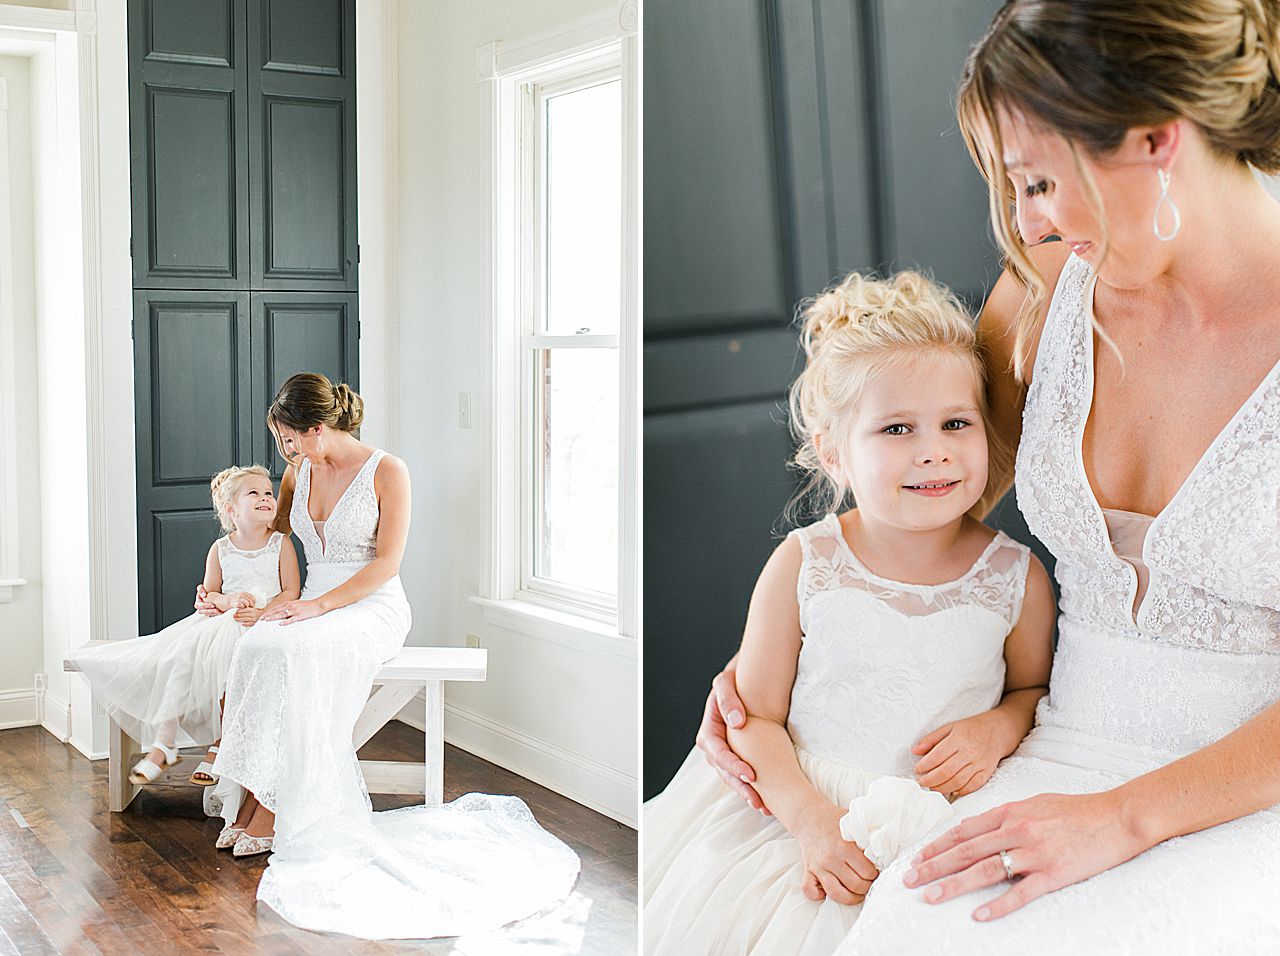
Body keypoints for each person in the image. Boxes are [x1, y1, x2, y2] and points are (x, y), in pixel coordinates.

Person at [696, 1, 1280, 951]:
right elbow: (942, 485)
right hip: (1046, 747)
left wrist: (1125, 817)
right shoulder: (1052, 277)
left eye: (1042, 181)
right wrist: (783, 659)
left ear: (1157, 142)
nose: (1027, 221)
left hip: (1247, 793)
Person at [643, 271, 1056, 954]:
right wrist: (811, 822)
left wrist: (998, 727)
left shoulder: (1015, 577)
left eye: (957, 423)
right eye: (897, 428)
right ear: (835, 451)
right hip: (800, 814)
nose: (934, 449)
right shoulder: (805, 565)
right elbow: (752, 720)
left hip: (941, 825)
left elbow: (1030, 690)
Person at [208, 373, 580, 939]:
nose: (284, 451)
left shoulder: (388, 471)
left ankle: (281, 809)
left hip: (371, 605)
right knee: (258, 645)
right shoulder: (296, 472)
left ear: (317, 428)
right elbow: (272, 537)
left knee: (298, 653)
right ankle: (256, 793)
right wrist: (229, 582)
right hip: (313, 601)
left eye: (289, 438)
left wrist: (320, 606)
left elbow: (386, 564)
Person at [66, 465, 299, 786]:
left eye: (269, 493)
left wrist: (261, 612)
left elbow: (291, 591)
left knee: (230, 667)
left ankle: (219, 744)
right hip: (223, 622)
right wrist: (228, 601)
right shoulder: (221, 549)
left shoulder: (280, 544)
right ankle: (165, 739)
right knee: (179, 657)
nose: (265, 498)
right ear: (231, 510)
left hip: (265, 622)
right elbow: (211, 592)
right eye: (254, 493)